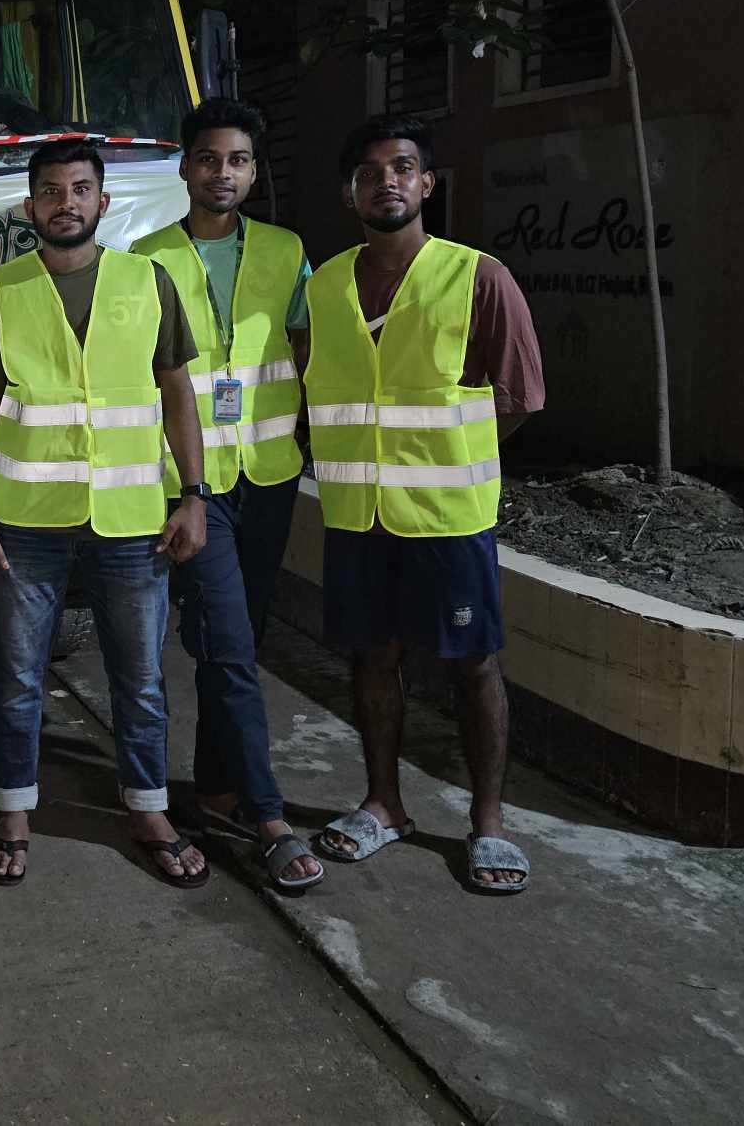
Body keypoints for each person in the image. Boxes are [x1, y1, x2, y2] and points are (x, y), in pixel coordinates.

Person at [0, 139, 211, 889]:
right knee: (18, 673)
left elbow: (178, 395)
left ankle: (147, 806)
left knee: (138, 675)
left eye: (79, 188)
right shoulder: (1, 292)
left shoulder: (148, 281)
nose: (64, 201)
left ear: (103, 202)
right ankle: (13, 808)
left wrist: (193, 495)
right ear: (31, 205)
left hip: (132, 520)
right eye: (50, 190)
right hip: (25, 521)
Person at [304, 117, 544, 894]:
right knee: (373, 657)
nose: (387, 182)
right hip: (357, 515)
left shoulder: (477, 276)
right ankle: (383, 805)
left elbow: (518, 398)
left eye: (403, 168)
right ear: (350, 191)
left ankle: (489, 823)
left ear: (427, 184)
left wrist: (446, 458)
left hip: (448, 518)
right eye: (370, 172)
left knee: (473, 665)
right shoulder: (325, 284)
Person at [133, 101, 321, 892]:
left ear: (252, 171)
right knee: (233, 646)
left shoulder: (285, 250)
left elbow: (302, 346)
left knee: (229, 646)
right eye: (209, 159)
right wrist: (184, 488)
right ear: (185, 168)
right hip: (194, 486)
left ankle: (212, 793)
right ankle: (269, 814)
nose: (223, 173)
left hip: (269, 472)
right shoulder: (144, 258)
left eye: (238, 160)